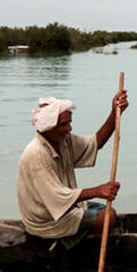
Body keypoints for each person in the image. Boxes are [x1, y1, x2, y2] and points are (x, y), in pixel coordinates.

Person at [16, 89, 128, 239]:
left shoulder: (63, 141)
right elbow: (57, 197)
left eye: (69, 123)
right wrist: (98, 191)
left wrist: (115, 113)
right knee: (107, 219)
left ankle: (82, 235)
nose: (69, 129)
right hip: (47, 222)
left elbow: (95, 143)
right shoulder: (37, 155)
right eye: (64, 124)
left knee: (111, 213)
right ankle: (70, 241)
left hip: (65, 209)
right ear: (48, 127)